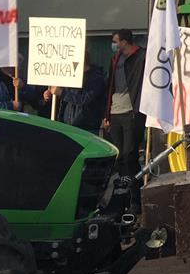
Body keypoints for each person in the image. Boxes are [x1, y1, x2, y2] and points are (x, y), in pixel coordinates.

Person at [104, 30, 147, 196]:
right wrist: (106, 115)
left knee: (130, 155)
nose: (113, 45)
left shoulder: (139, 57)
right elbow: (110, 86)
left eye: (115, 41)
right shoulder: (115, 59)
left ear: (124, 42)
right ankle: (123, 194)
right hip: (115, 112)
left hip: (131, 112)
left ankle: (135, 196)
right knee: (120, 156)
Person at [45, 52, 107, 132]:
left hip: (86, 128)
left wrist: (62, 93)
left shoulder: (96, 78)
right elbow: (65, 100)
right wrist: (51, 94)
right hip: (68, 125)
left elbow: (84, 99)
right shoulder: (70, 75)